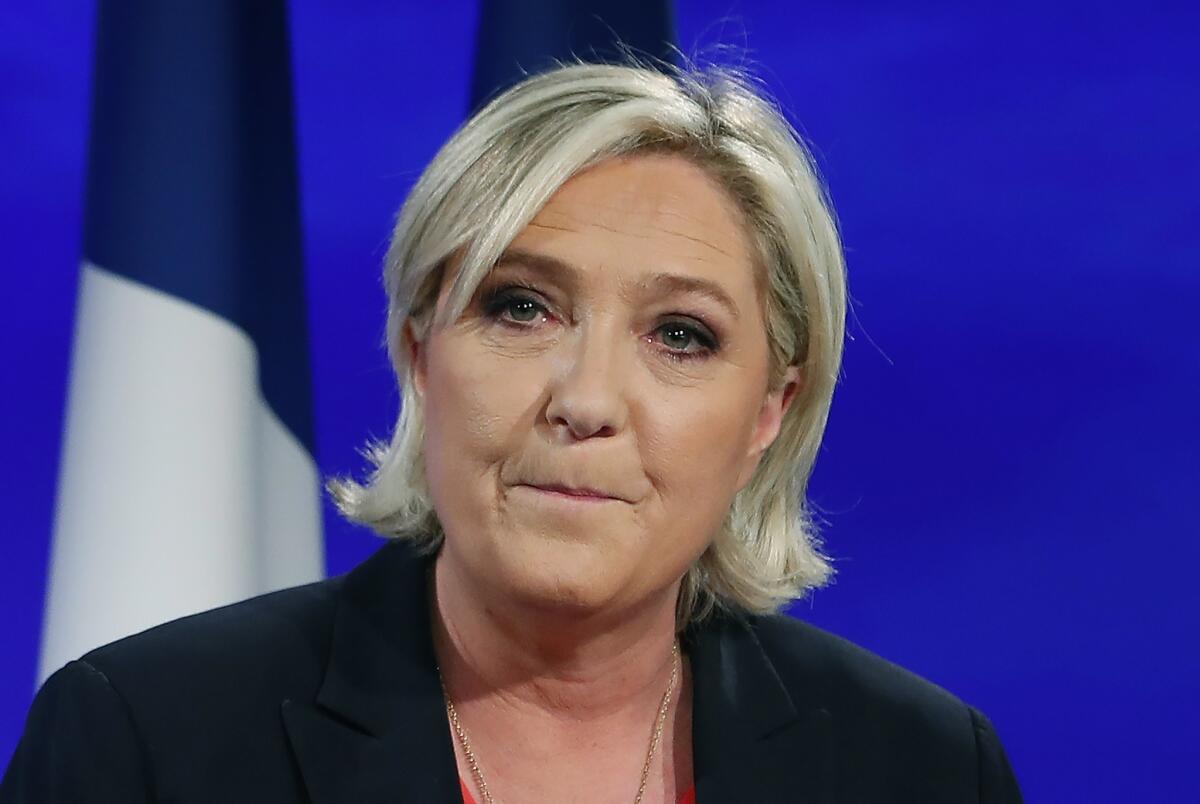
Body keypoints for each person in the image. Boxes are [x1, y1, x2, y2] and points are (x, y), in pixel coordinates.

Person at [1, 61, 1023, 803]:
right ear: (418, 354)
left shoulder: (923, 770)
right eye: (522, 309)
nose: (586, 400)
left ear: (771, 411)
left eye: (680, 334)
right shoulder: (143, 743)